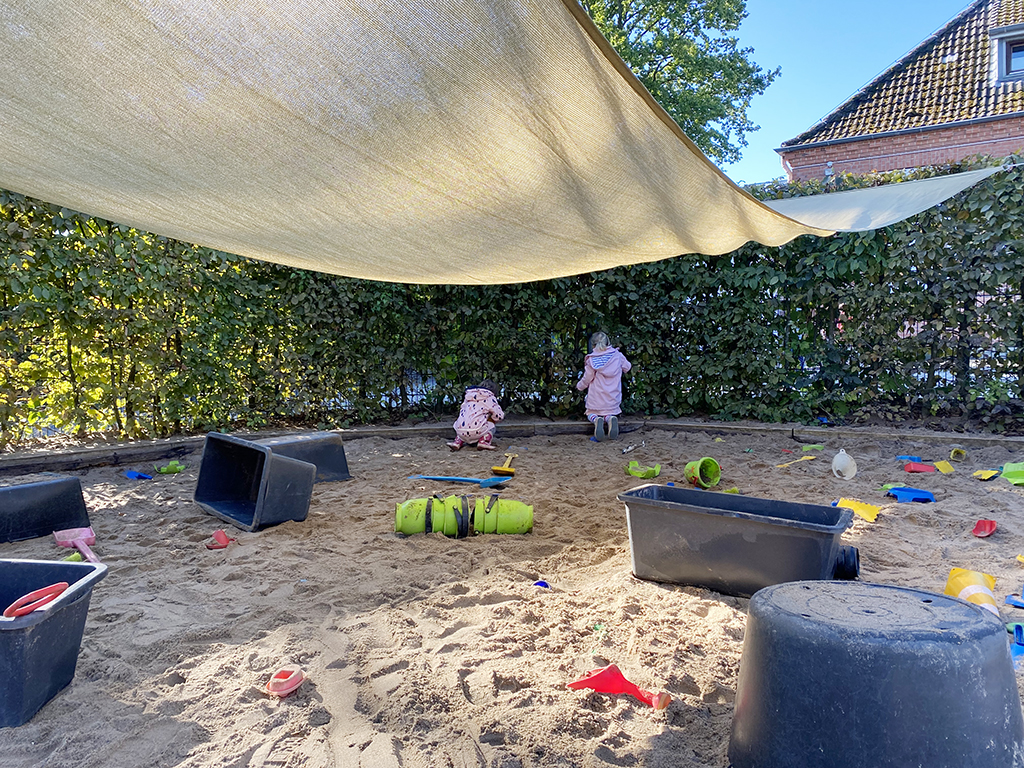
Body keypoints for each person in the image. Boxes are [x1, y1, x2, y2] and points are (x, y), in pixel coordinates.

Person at [576, 332, 631, 441]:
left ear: (593, 345)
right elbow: (627, 367)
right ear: (608, 342)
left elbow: (587, 378)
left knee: (590, 412)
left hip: (596, 398)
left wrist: (579, 386)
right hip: (613, 398)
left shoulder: (592, 360)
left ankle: (596, 420)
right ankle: (610, 418)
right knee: (608, 412)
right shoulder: (618, 356)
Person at [448, 379, 504, 451]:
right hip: (477, 429)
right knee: (491, 424)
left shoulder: (468, 396)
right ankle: (484, 441)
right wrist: (492, 417)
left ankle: (458, 441)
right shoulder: (489, 397)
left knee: (464, 421)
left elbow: (462, 409)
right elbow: (498, 416)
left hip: (460, 431)